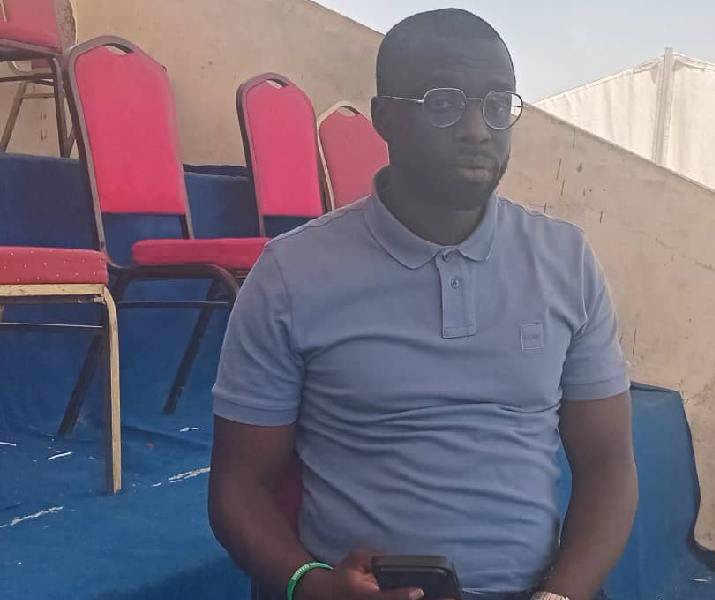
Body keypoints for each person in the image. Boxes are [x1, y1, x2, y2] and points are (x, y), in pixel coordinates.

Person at [208, 9, 637, 600]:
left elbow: (609, 462)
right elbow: (239, 485)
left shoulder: (564, 261)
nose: (477, 129)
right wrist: (315, 587)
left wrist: (560, 595)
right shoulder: (291, 274)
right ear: (384, 118)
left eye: (497, 103)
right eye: (443, 104)